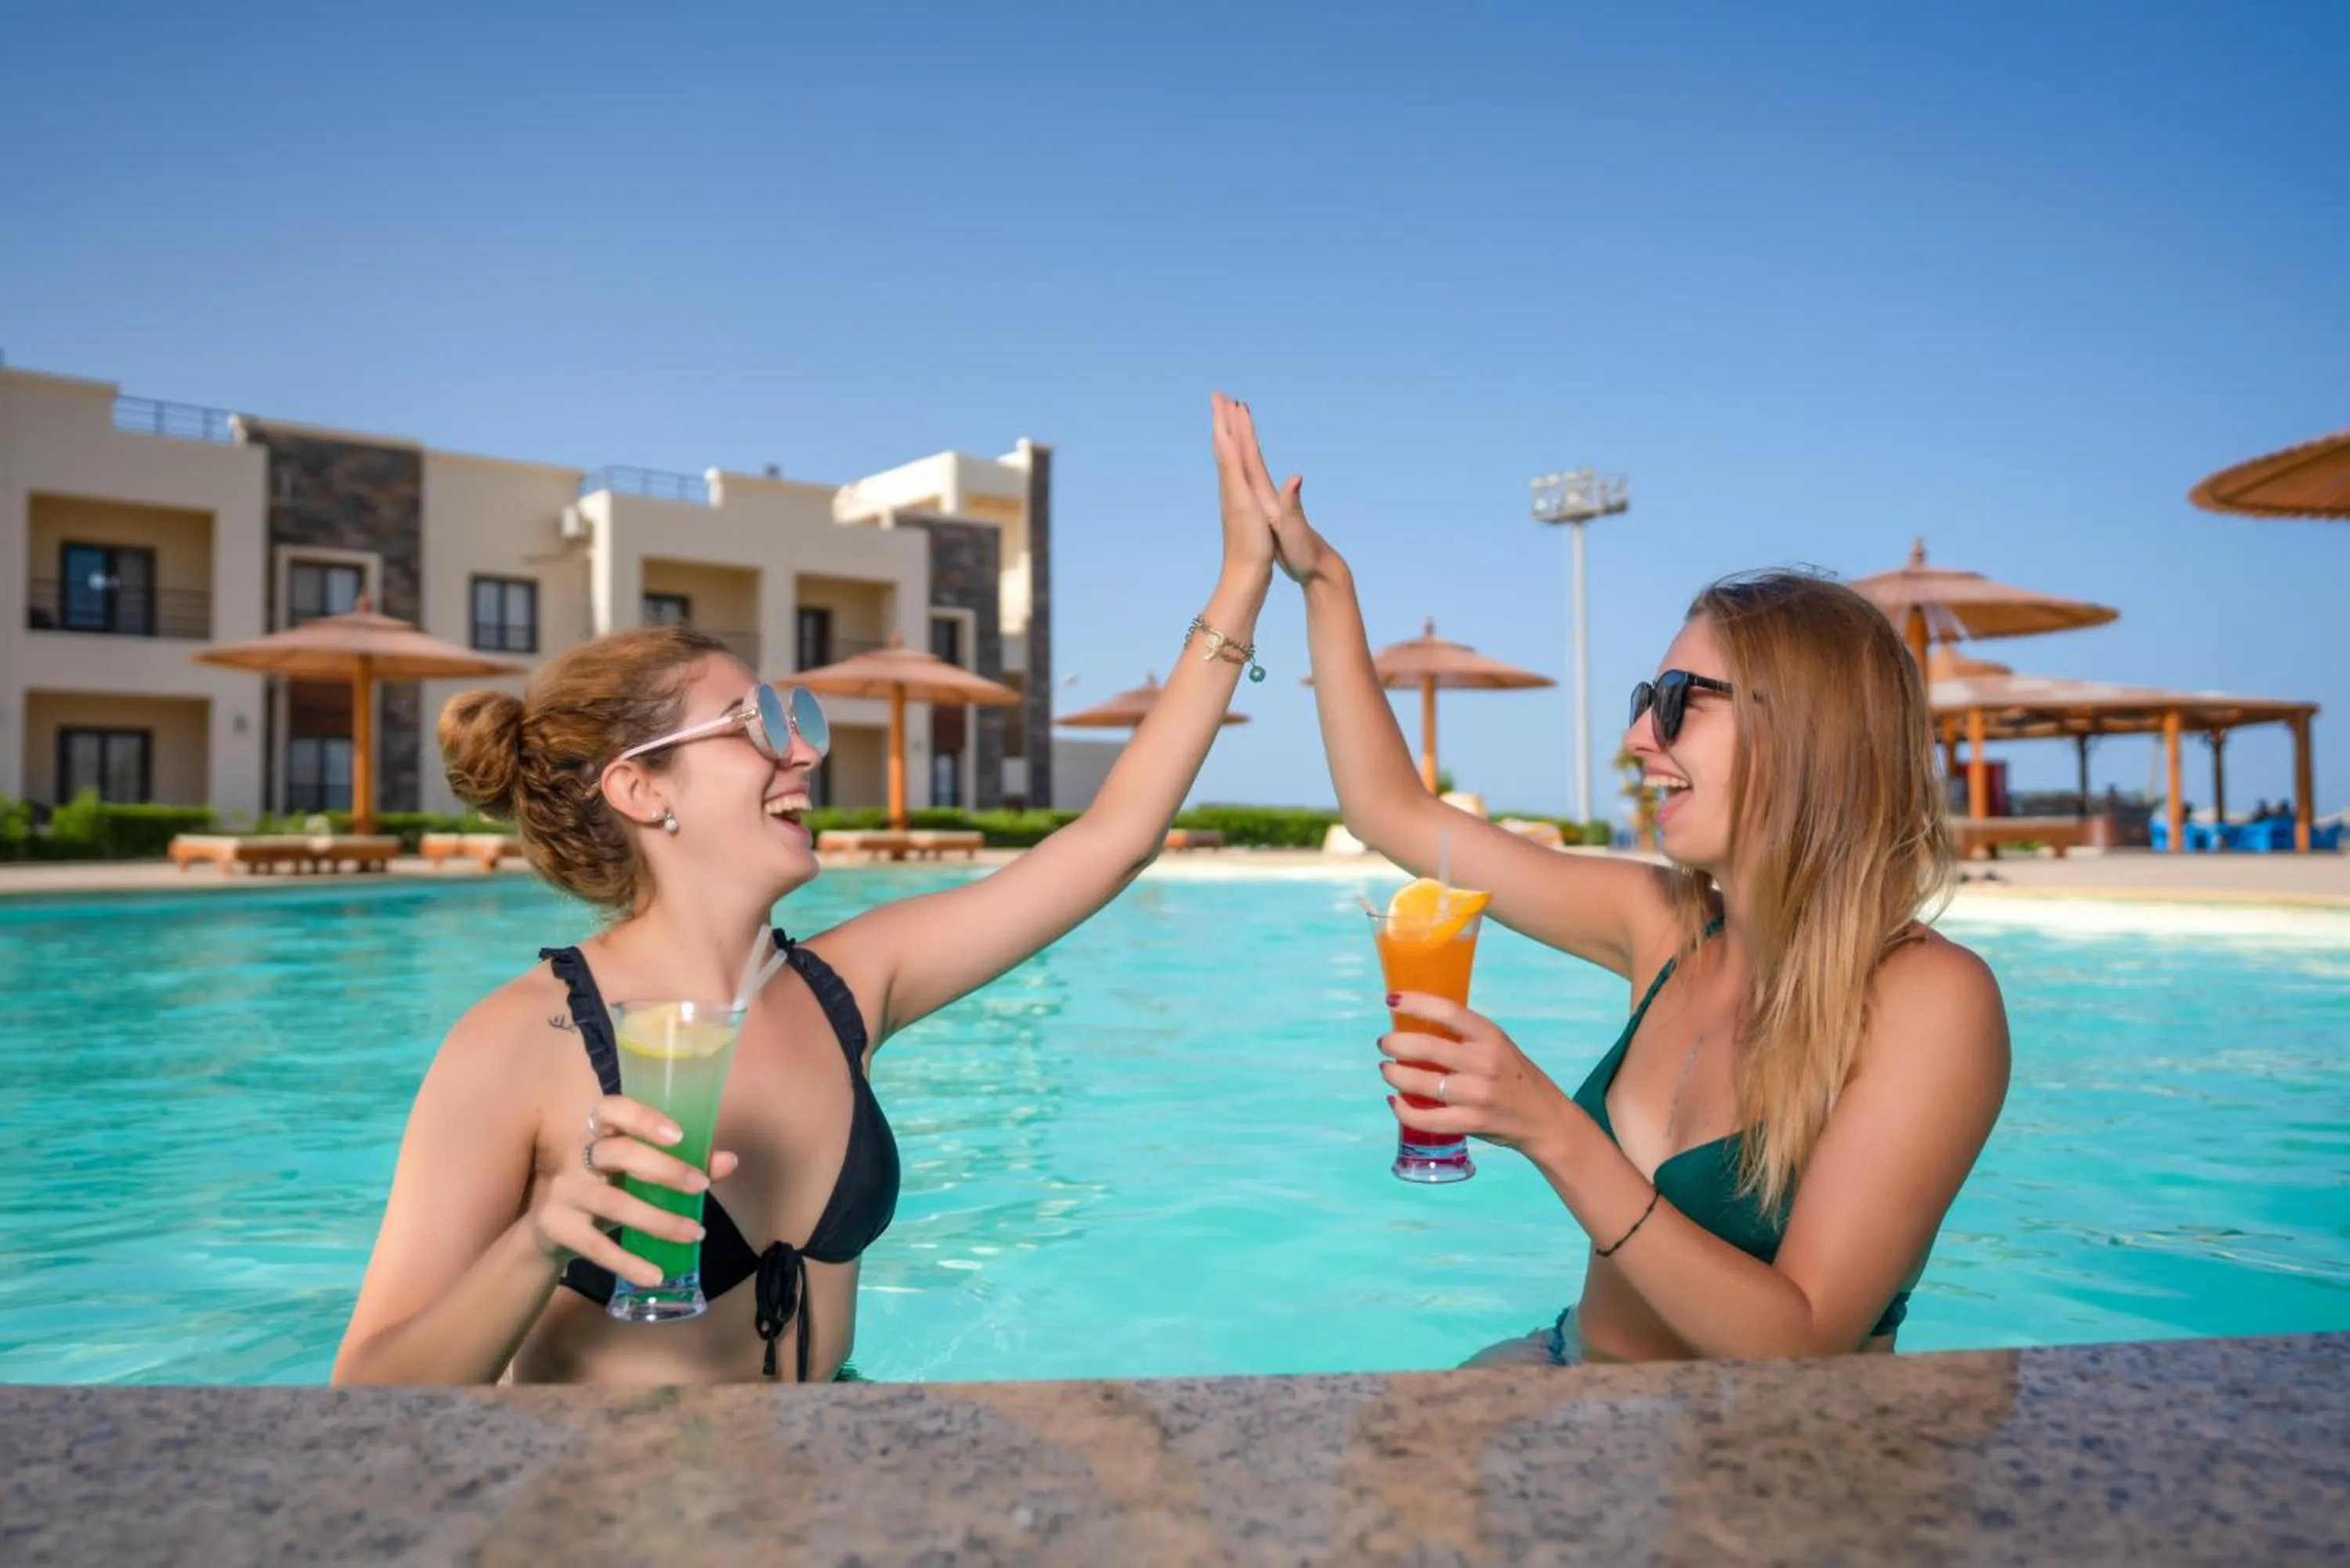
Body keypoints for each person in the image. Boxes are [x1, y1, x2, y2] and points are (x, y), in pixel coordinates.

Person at [333, 393, 1280, 1385]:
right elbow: (366, 1390)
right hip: (618, 1482)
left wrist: (1243, 581)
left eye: (791, 720)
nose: (801, 753)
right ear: (642, 788)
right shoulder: (516, 1042)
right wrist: (536, 1245)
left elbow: (1115, 842)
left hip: (835, 1456)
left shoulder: (847, 987)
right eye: (754, 726)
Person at [1235, 410, 2011, 1364]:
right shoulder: (1664, 926)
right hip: (1574, 1369)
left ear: (1804, 733)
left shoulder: (1930, 999)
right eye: (1647, 702)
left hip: (1766, 1441)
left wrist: (1553, 1129)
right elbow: (1390, 813)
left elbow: (1802, 1341)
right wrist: (1325, 584)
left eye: (1679, 703)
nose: (1640, 738)